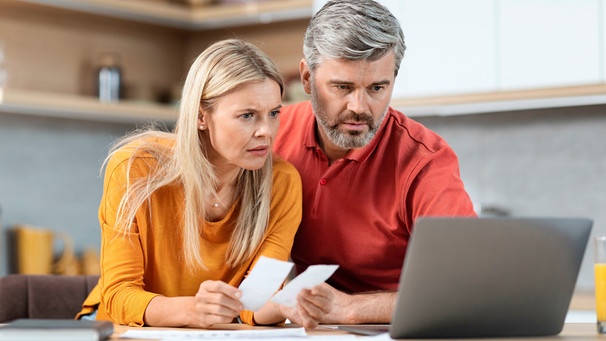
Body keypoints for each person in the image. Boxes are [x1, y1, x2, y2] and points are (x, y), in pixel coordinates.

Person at [77, 39, 332, 329]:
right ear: (201, 116)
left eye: (273, 113)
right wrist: (192, 310)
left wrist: (284, 305)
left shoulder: (281, 182)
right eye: (247, 115)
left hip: (210, 333)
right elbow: (118, 296)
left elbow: (254, 303)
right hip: (120, 329)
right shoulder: (135, 167)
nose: (266, 131)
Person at [273, 0, 477, 324]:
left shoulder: (425, 160)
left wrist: (352, 309)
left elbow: (469, 283)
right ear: (307, 79)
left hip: (399, 327)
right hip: (310, 328)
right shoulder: (272, 134)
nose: (360, 108)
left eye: (377, 88)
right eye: (342, 87)